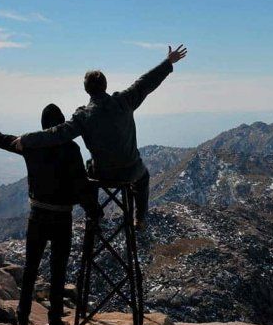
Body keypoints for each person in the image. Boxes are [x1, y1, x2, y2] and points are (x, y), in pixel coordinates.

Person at [0, 104, 100, 325]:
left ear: (42, 125)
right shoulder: (71, 148)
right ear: (62, 124)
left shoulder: (32, 145)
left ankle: (22, 321)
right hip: (62, 217)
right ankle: (55, 321)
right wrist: (94, 211)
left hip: (37, 216)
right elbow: (81, 185)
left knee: (31, 269)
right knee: (58, 270)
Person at [11, 44, 187, 231]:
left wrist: (26, 139)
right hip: (131, 171)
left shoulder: (84, 116)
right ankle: (140, 219)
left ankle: (94, 215)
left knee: (86, 167)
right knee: (143, 178)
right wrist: (168, 62)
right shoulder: (124, 101)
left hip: (103, 174)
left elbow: (56, 133)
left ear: (86, 90)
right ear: (105, 85)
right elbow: (146, 82)